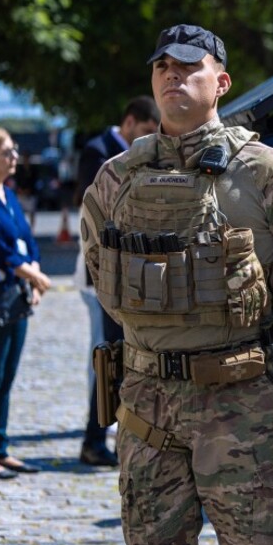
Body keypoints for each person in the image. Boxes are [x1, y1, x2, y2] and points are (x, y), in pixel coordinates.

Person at [80, 24, 273, 545]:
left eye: (189, 66)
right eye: (162, 67)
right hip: (146, 404)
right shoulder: (117, 177)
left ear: (221, 82)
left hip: (240, 403)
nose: (172, 75)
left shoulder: (267, 172)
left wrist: (261, 332)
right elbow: (100, 267)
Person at [75, 96, 160, 467]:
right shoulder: (99, 153)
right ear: (129, 123)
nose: (146, 139)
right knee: (108, 357)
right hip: (104, 273)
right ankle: (96, 438)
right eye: (143, 131)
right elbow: (101, 210)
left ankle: (118, 433)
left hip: (131, 273)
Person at [0, 126, 52, 479]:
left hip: (15, 298)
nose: (15, 158)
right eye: (7, 152)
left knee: (7, 377)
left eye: (14, 151)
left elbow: (27, 242)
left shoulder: (8, 196)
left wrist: (36, 274)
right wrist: (36, 277)